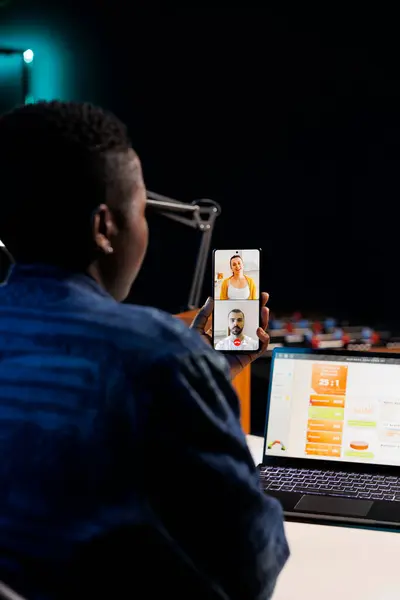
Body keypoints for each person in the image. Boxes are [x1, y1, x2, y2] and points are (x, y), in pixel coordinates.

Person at [0, 101, 288, 600]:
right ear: (104, 227)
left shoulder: (165, 357)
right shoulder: (157, 354)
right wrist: (186, 363)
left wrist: (205, 367)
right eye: (141, 211)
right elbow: (250, 565)